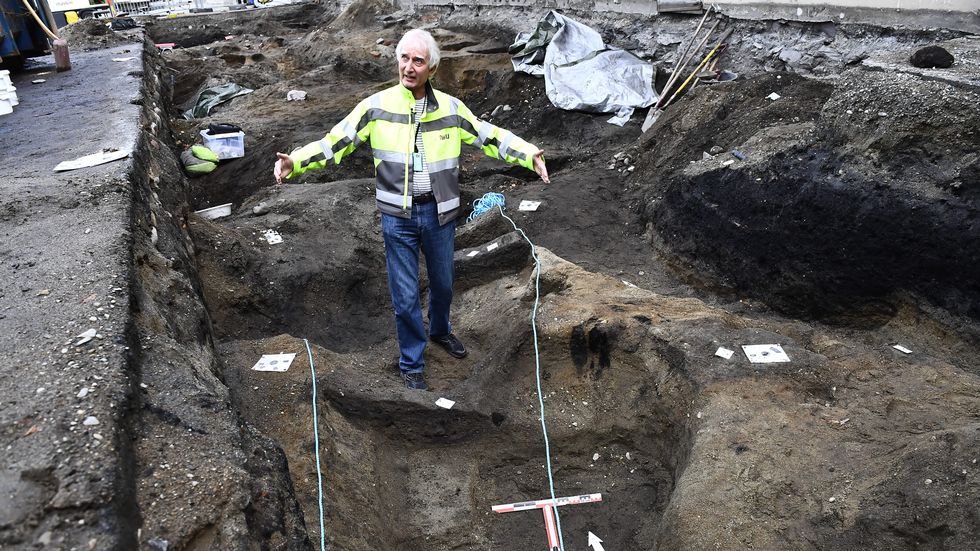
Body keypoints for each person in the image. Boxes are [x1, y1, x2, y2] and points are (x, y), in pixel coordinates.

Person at [274, 29, 550, 390]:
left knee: (444, 285)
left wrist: (529, 154)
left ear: (431, 69)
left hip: (440, 215)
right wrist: (296, 162)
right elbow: (335, 142)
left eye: (418, 61)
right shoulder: (376, 107)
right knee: (404, 297)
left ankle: (440, 331)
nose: (409, 66)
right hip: (397, 217)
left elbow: (489, 136)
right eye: (404, 58)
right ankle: (412, 362)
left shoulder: (451, 109)